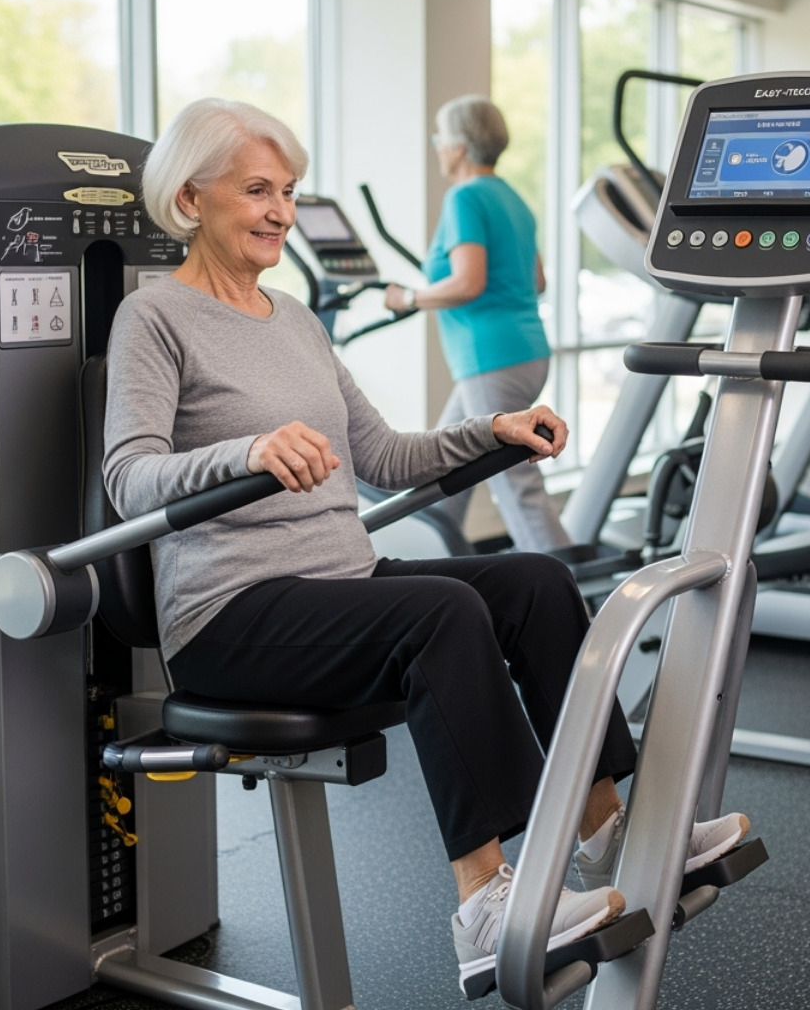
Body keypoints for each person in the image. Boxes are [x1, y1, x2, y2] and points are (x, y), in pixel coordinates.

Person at [104, 98, 748, 994]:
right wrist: (246, 452)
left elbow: (383, 456)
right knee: (440, 611)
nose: (281, 212)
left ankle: (609, 830)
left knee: (534, 582)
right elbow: (129, 478)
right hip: (230, 617)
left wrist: (495, 428)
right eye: (257, 191)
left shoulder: (292, 316)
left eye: (288, 191)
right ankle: (484, 903)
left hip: (338, 584)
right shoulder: (154, 319)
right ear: (188, 198)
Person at [382, 95, 572, 553]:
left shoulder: (464, 197)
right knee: (450, 469)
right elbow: (538, 279)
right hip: (525, 351)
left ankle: (576, 608)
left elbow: (468, 282)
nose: (438, 148)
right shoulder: (512, 198)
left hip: (492, 357)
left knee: (514, 486)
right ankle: (430, 561)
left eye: (440, 139)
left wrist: (409, 297)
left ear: (460, 147)